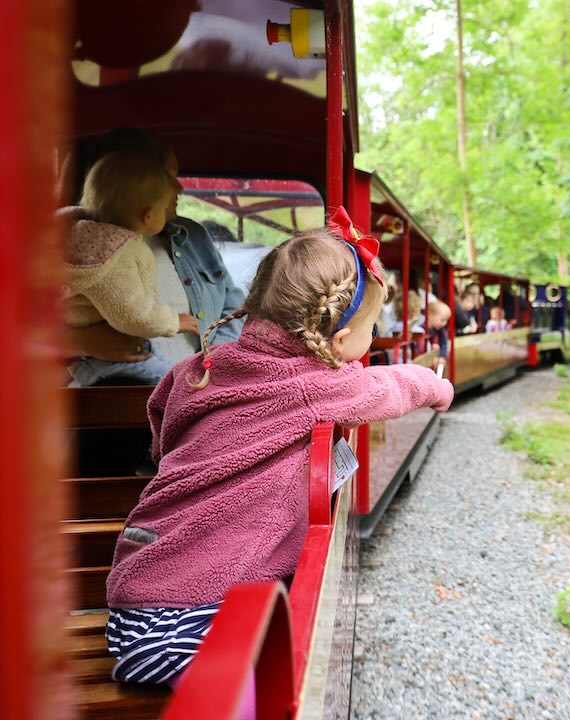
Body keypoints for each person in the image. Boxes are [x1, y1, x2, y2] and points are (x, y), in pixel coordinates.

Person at [104, 212, 454, 703]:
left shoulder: (198, 367)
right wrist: (436, 386)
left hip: (134, 587)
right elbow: (391, 387)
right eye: (371, 329)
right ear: (339, 342)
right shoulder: (317, 385)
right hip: (192, 611)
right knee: (235, 691)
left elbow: (160, 424)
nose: (372, 339)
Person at [65, 128, 246, 380]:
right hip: (119, 390)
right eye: (168, 176)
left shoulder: (193, 237)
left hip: (195, 389)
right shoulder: (78, 248)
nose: (179, 187)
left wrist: (213, 366)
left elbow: (234, 306)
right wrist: (79, 342)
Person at [64, 151, 201, 386]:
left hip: (124, 353)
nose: (179, 188)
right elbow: (133, 314)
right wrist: (174, 321)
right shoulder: (115, 255)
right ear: (147, 215)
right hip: (107, 360)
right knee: (178, 389)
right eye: (171, 176)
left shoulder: (80, 236)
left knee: (179, 383)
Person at [426, 300, 452, 375]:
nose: (444, 323)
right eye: (442, 320)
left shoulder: (441, 331)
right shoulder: (422, 330)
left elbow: (444, 344)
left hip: (436, 360)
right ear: (430, 316)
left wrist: (442, 356)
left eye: (446, 321)